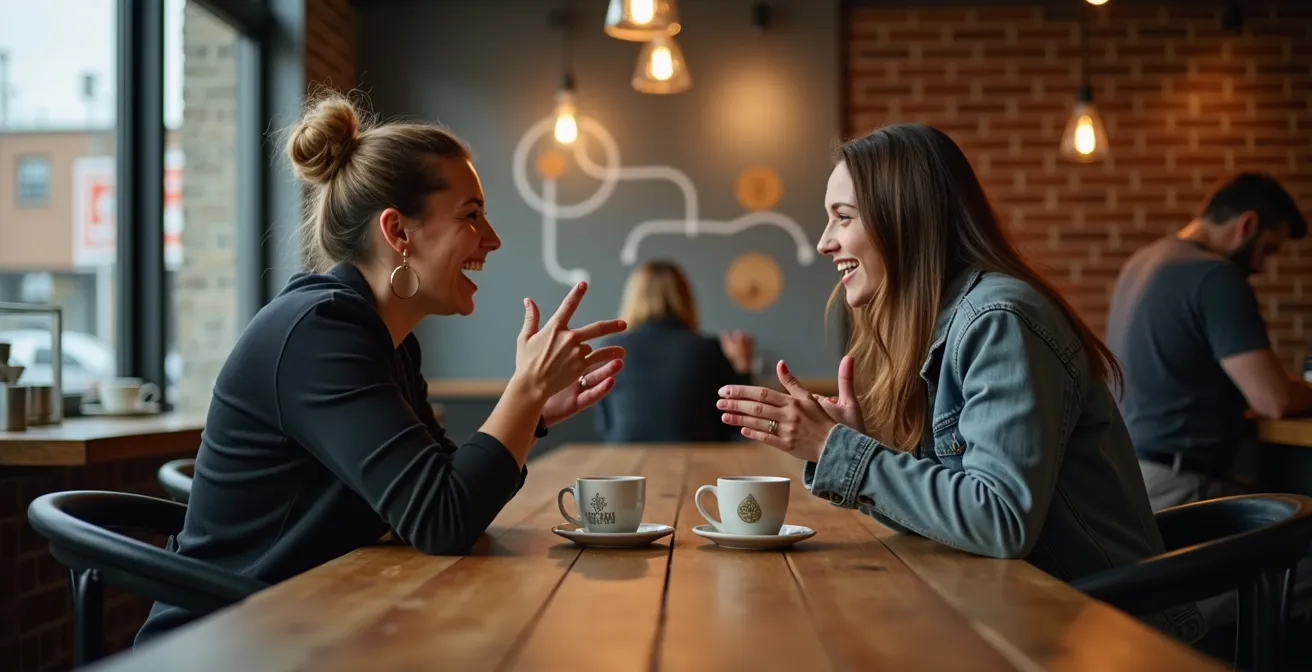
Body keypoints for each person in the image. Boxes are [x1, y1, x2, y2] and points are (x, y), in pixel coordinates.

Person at [136, 93, 627, 643]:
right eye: (471, 215)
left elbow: (443, 492)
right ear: (398, 232)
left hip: (305, 623)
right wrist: (524, 392)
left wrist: (530, 411)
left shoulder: (382, 339)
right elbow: (444, 519)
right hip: (226, 641)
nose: (491, 239)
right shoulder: (319, 334)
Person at [714, 123, 1204, 642]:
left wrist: (840, 451)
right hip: (1039, 616)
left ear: (905, 219)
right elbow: (959, 518)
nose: (824, 241)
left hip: (1109, 635)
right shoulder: (953, 320)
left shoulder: (998, 321)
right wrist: (858, 448)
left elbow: (999, 520)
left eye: (843, 217)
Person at [1105, 172, 1312, 511]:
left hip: (1133, 474)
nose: (1262, 267)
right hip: (1182, 483)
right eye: (1269, 250)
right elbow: (1274, 399)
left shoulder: (1143, 261)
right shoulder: (1215, 275)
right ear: (1246, 225)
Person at [594, 260, 753, 443]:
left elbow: (605, 426)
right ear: (686, 298)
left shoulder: (612, 350)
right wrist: (743, 367)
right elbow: (736, 425)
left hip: (625, 460)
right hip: (700, 461)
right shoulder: (709, 349)